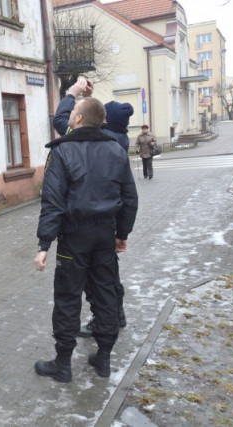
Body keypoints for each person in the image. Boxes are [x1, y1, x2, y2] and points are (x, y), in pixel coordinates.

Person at [34, 96, 138, 383]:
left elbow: (52, 201)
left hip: (75, 238)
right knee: (105, 294)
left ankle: (63, 364)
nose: (70, 115)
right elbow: (129, 197)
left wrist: (44, 245)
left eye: (73, 111)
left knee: (68, 297)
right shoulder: (116, 150)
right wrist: (121, 234)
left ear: (78, 118)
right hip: (105, 236)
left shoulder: (62, 151)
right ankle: (103, 358)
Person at [53, 77, 133, 337]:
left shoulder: (97, 139)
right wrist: (122, 232)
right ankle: (114, 318)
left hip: (81, 228)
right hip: (108, 223)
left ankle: (105, 322)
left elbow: (62, 121)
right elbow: (129, 195)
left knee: (91, 283)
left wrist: (72, 93)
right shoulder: (117, 140)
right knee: (108, 276)